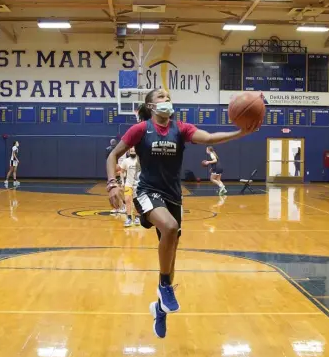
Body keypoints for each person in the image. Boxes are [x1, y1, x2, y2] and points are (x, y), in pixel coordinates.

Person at [106, 88, 261, 339]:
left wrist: (240, 132)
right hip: (147, 191)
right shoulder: (141, 129)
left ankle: (160, 307)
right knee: (168, 228)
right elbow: (113, 155)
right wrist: (112, 183)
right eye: (161, 98)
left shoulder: (182, 129)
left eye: (168, 98)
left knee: (171, 256)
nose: (167, 101)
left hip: (173, 196)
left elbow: (209, 138)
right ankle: (165, 287)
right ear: (151, 105)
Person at [121, 147, 141, 227]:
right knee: (127, 200)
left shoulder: (140, 160)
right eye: (131, 151)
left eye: (134, 151)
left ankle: (137, 217)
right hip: (128, 184)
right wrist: (122, 182)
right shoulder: (126, 161)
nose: (133, 152)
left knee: (137, 202)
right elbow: (121, 172)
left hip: (138, 185)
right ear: (129, 152)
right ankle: (129, 218)